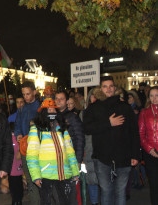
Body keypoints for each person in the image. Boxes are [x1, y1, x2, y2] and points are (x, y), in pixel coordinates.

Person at [83, 76, 140, 205]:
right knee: (106, 191)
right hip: (102, 158)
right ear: (100, 89)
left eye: (111, 86)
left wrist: (135, 154)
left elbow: (133, 132)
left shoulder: (125, 107)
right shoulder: (94, 108)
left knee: (120, 191)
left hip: (123, 157)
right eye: (105, 86)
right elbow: (87, 128)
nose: (108, 89)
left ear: (115, 88)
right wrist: (108, 123)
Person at [26, 98, 80, 205]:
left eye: (54, 110)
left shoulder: (62, 129)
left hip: (64, 174)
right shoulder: (36, 130)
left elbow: (70, 152)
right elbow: (32, 155)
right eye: (48, 110)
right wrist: (36, 176)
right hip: (45, 176)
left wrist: (75, 172)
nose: (51, 112)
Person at [14, 80, 40, 205]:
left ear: (34, 92)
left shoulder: (41, 107)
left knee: (40, 178)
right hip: (25, 148)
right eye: (23, 94)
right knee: (30, 179)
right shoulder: (21, 109)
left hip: (39, 150)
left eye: (28, 94)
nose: (25, 97)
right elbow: (17, 124)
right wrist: (18, 134)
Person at [138, 86, 158, 205]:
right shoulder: (144, 113)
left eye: (157, 95)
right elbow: (141, 134)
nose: (154, 98)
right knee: (154, 184)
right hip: (150, 153)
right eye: (152, 96)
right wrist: (149, 149)